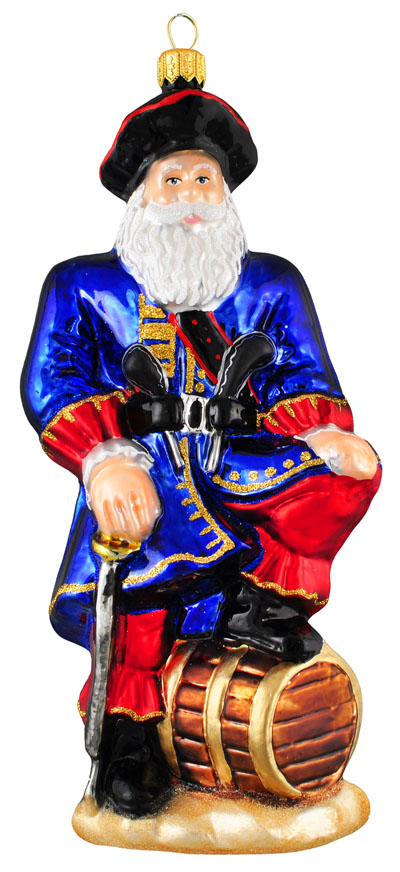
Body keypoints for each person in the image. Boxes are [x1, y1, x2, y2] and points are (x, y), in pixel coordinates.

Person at [21, 59, 380, 817]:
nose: (189, 196)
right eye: (173, 180)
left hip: (241, 464)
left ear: (226, 193)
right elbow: (54, 379)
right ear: (141, 194)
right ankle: (131, 734)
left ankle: (264, 603)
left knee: (352, 470)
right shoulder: (82, 285)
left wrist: (320, 430)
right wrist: (103, 459)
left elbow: (302, 372)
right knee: (141, 595)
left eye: (204, 180)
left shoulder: (271, 281)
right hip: (146, 470)